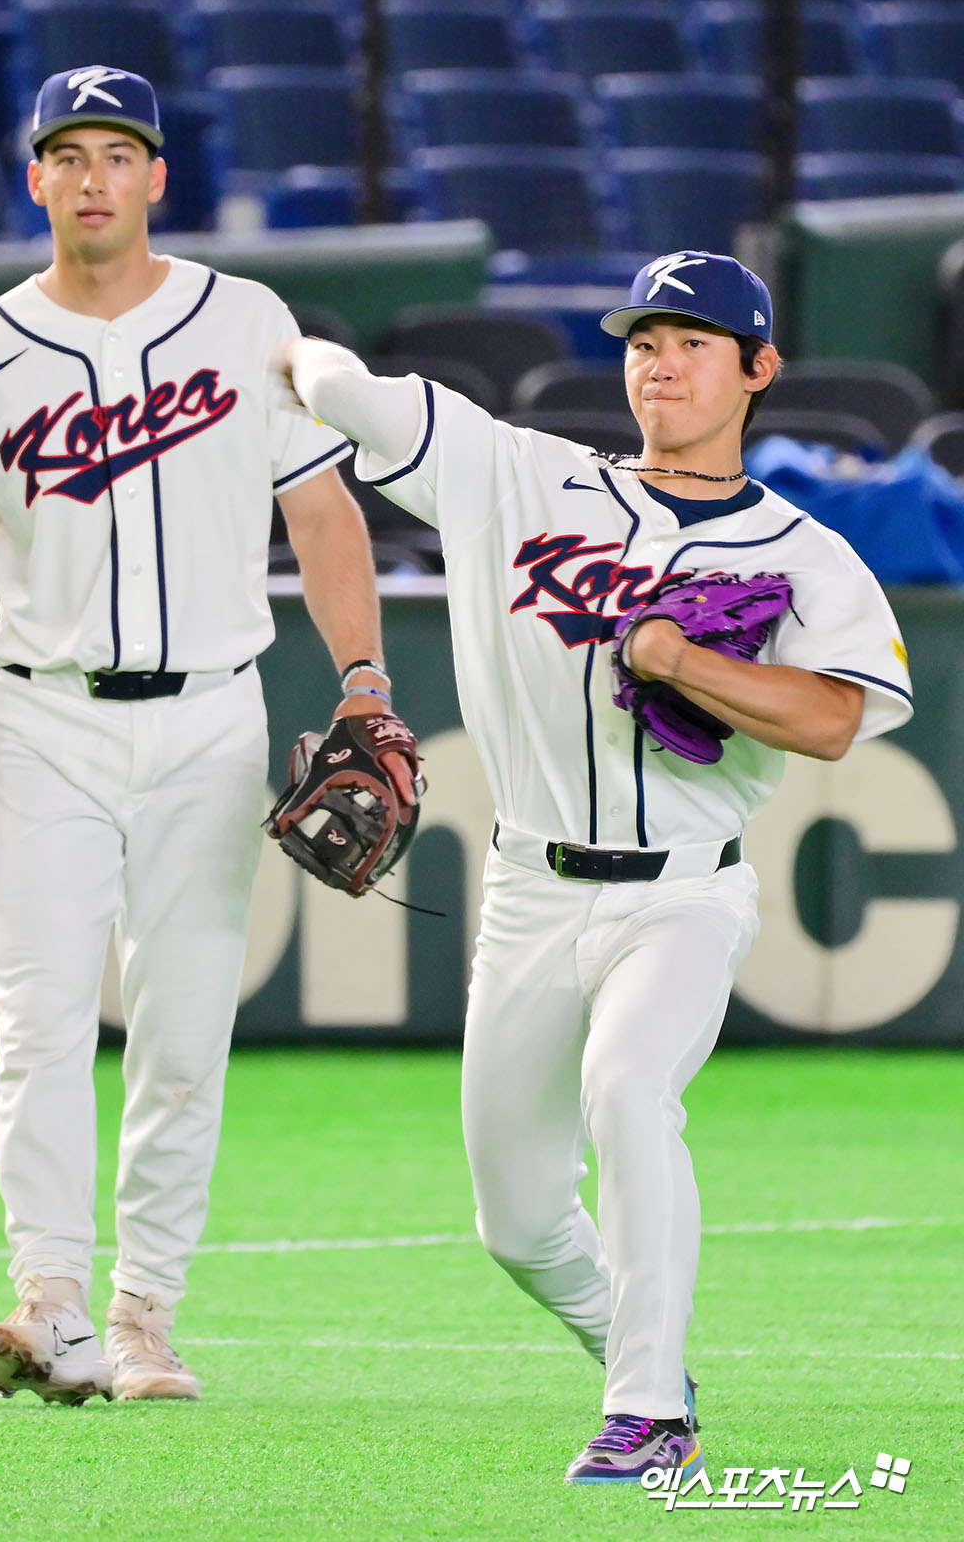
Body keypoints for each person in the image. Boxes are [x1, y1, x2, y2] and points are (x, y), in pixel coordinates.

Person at [279, 251, 913, 1483]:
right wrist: (282, 345)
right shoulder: (518, 475)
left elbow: (836, 717)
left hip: (683, 889)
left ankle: (647, 1411)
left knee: (628, 1087)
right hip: (529, 888)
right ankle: (645, 1359)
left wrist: (687, 663)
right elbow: (340, 387)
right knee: (517, 1219)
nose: (660, 364)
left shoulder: (805, 553)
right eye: (643, 343)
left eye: (693, 343)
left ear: (759, 368)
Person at [0, 65, 409, 1405]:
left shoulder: (245, 322)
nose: (93, 178)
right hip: (41, 716)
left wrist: (364, 683)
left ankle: (145, 1313)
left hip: (210, 715)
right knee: (41, 1024)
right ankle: (51, 1300)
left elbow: (321, 513)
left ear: (158, 176)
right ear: (36, 179)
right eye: (69, 154)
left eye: (118, 153)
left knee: (182, 1031)